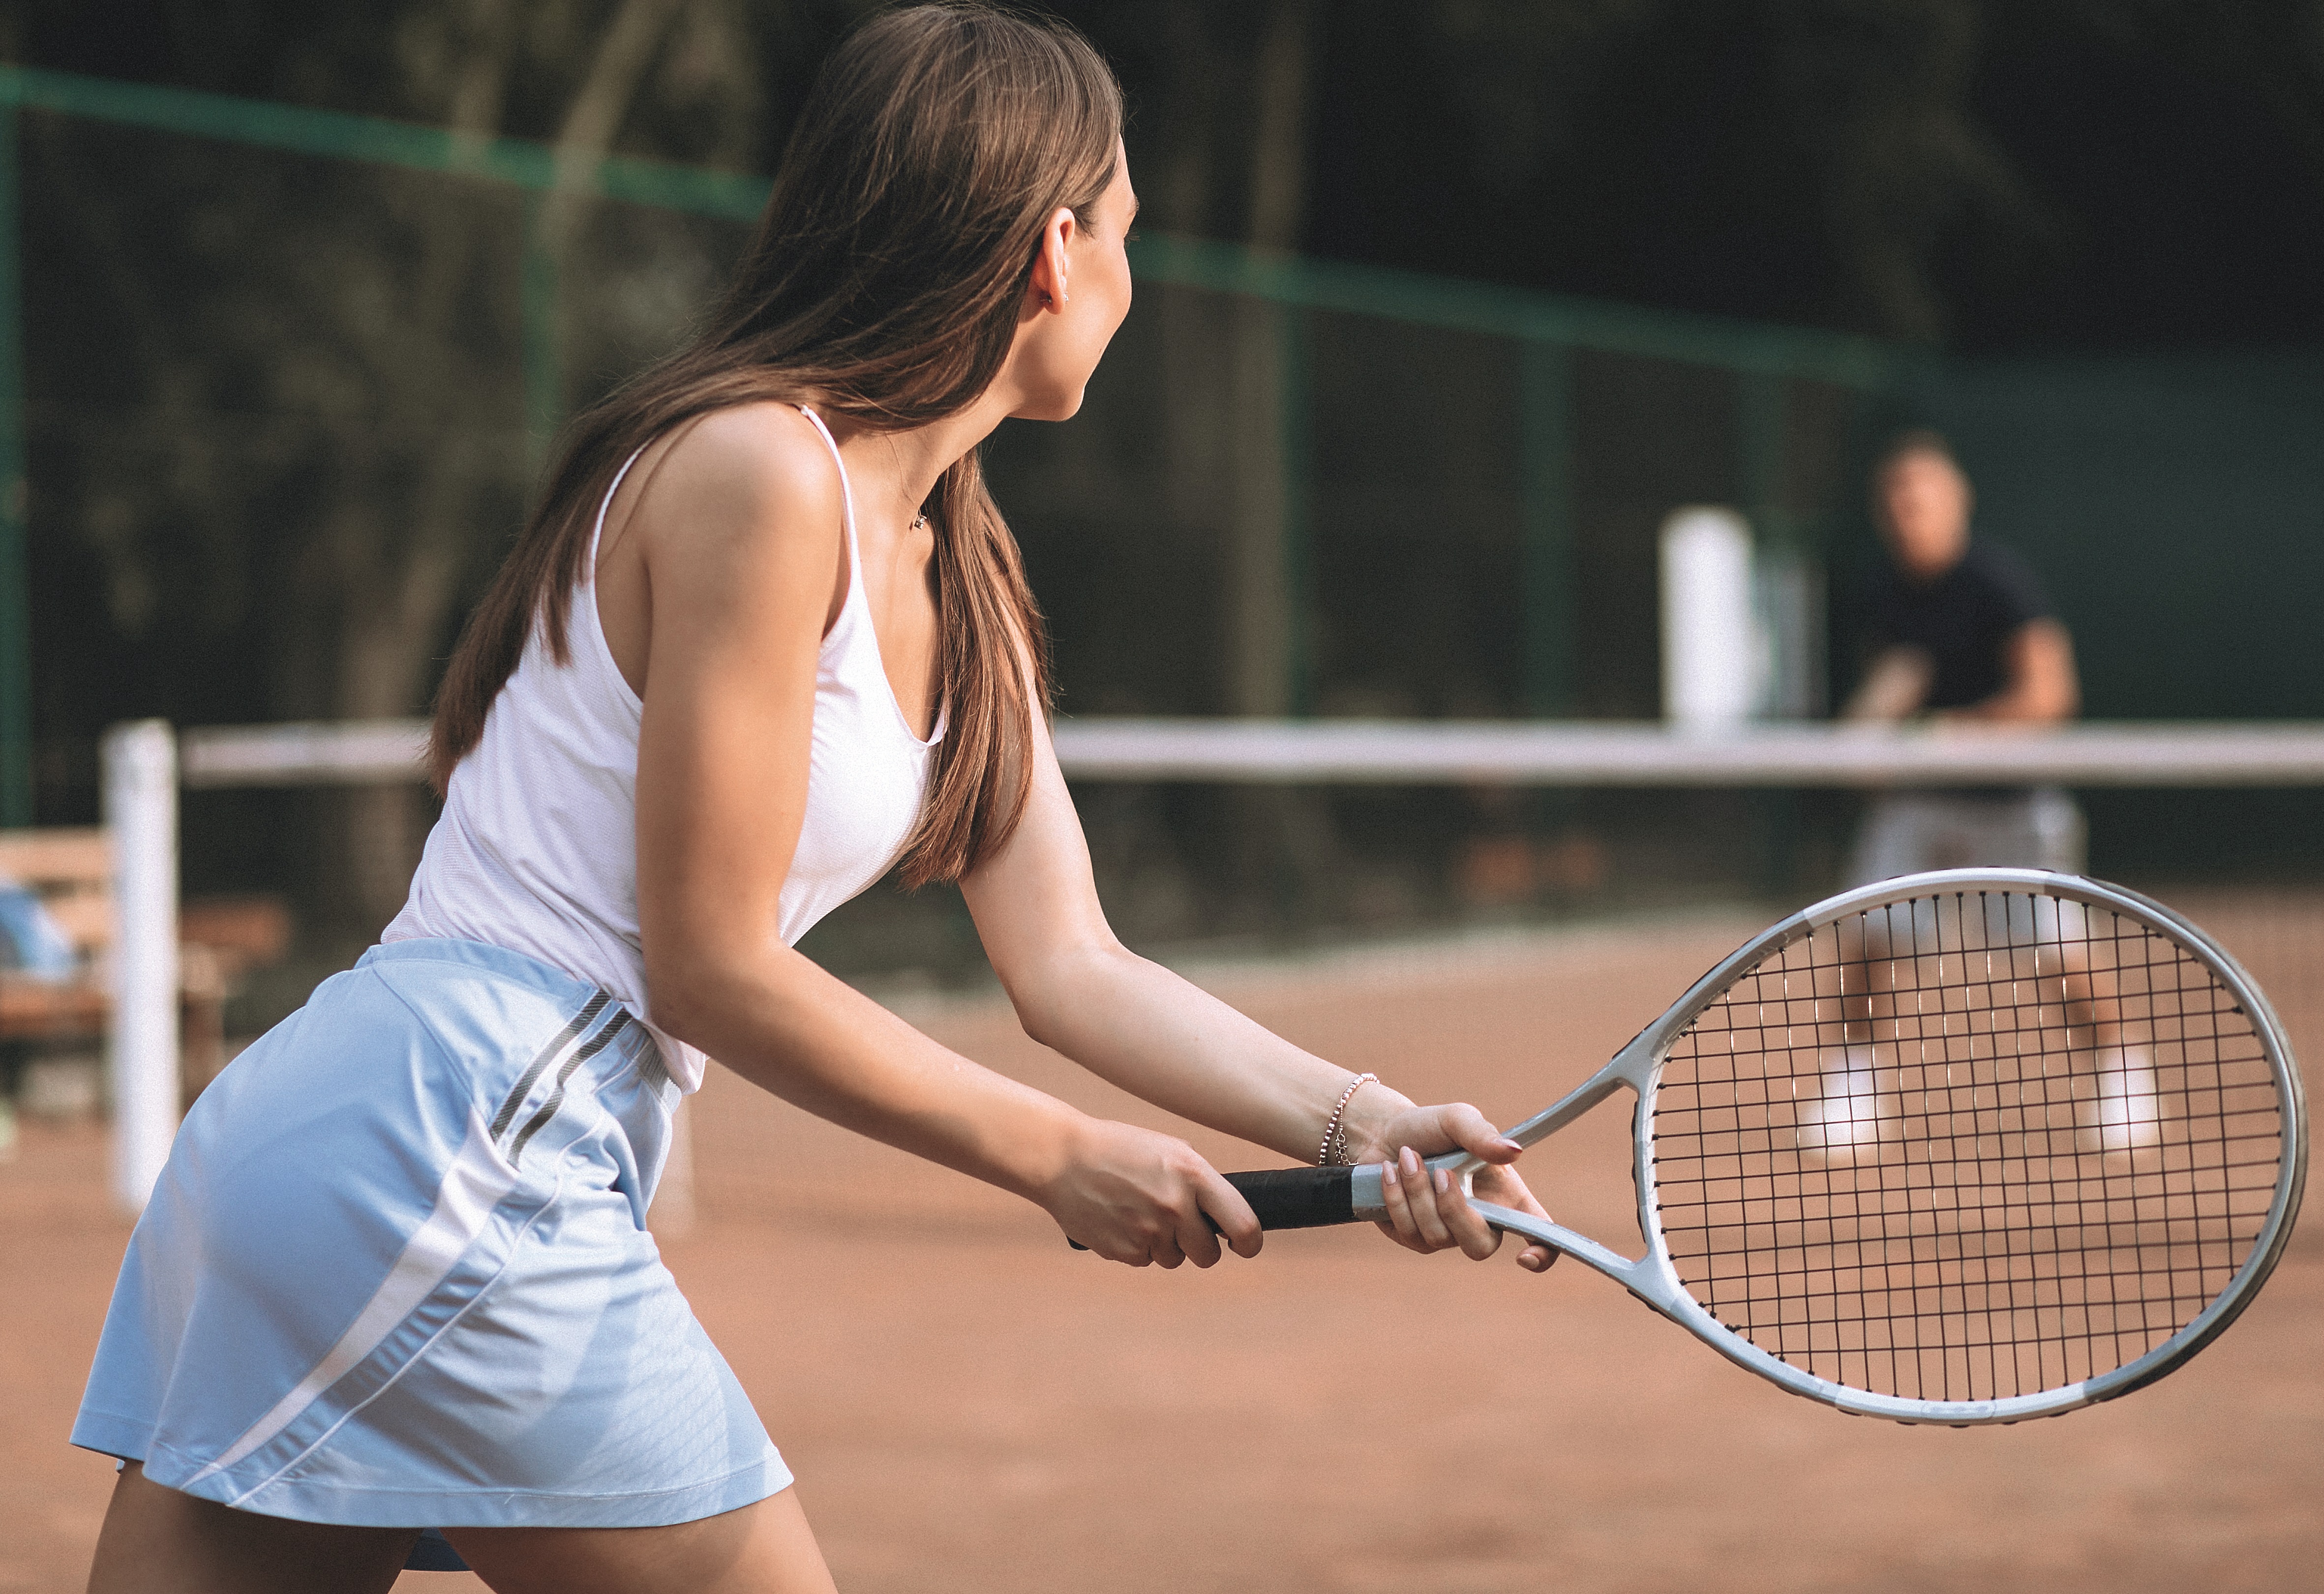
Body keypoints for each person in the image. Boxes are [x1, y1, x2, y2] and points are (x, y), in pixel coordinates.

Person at [72, 9, 1556, 1591]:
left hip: (388, 1145)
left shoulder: (957, 563)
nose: (1136, 275)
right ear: (1056, 253)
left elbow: (1075, 966)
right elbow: (709, 963)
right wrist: (1057, 1156)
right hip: (453, 1140)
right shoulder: (760, 474)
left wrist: (1370, 1122)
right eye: (1129, 232)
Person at [1841, 429, 2083, 884]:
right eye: (1895, 495)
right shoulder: (1878, 593)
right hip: (1919, 801)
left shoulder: (2000, 584)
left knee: (2055, 955)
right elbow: (1886, 694)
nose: (1906, 508)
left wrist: (1955, 732)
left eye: (1919, 495)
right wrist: (1871, 732)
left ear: (1957, 499)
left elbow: (2052, 696)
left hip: (2011, 802)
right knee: (1869, 944)